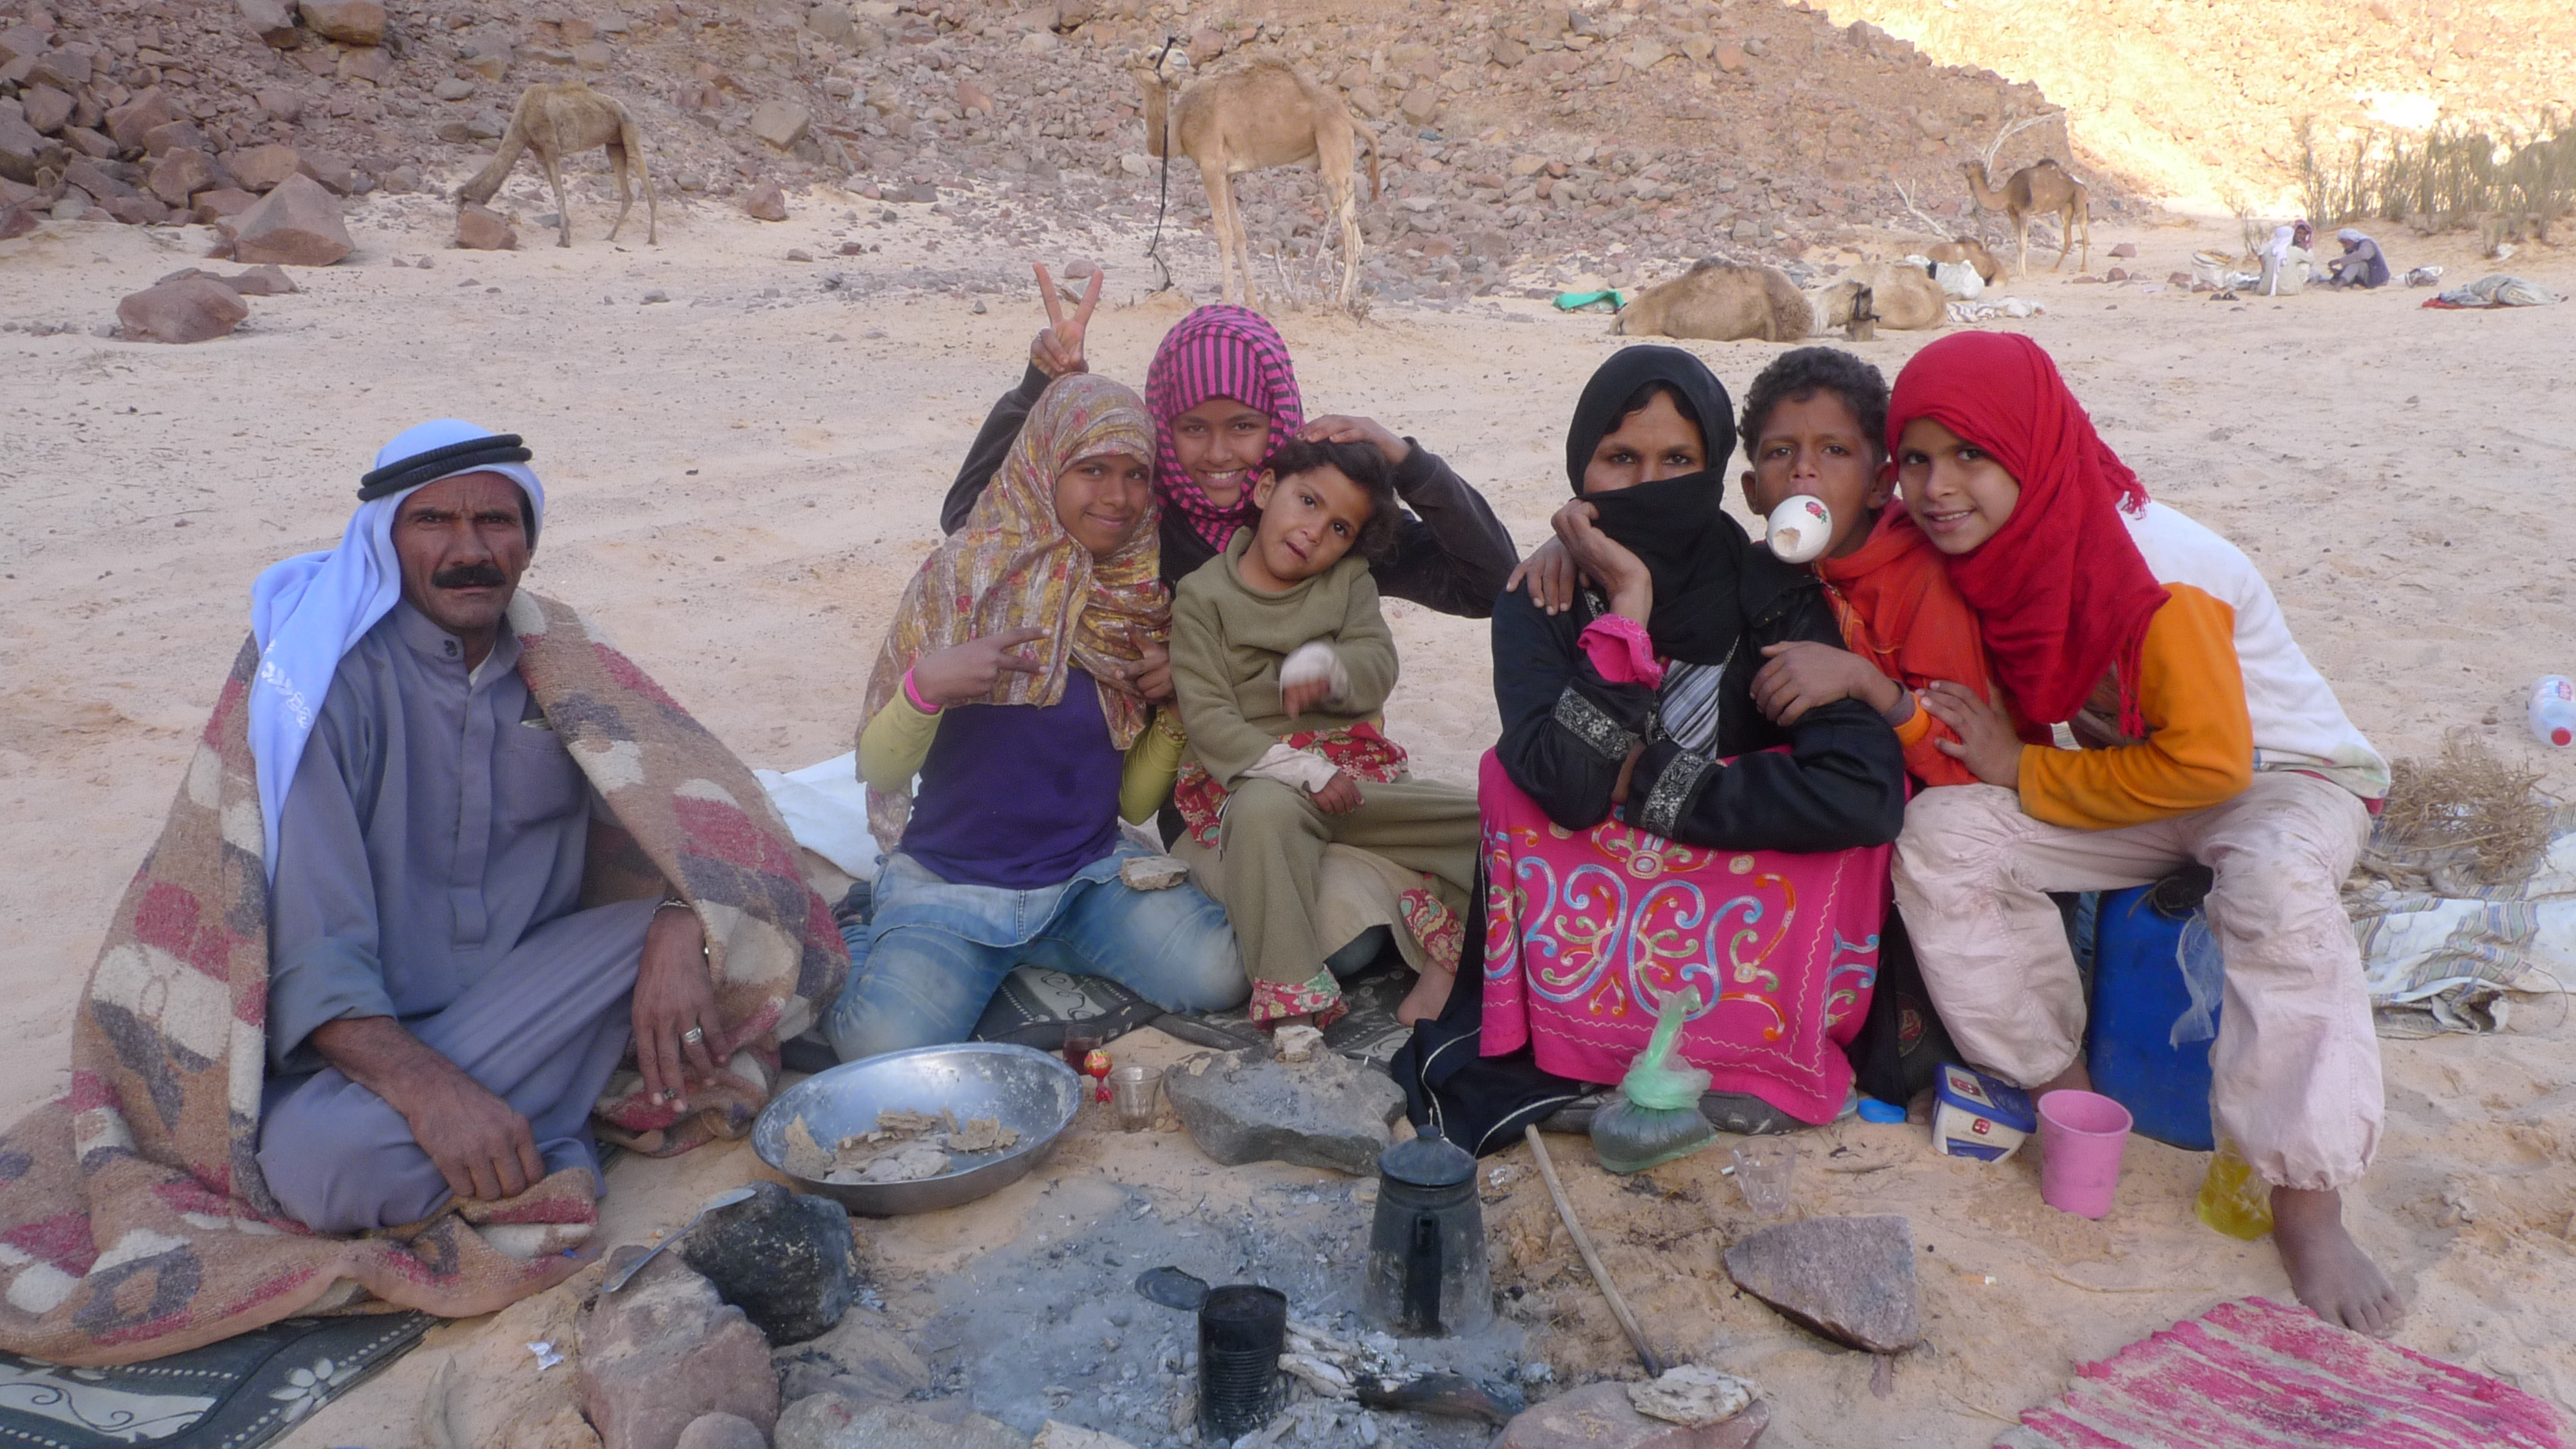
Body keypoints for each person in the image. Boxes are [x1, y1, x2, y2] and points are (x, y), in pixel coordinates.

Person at [0, 421, 843, 1361]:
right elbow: (313, 943)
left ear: (529, 534)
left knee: (742, 927)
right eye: (434, 520)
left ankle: (519, 1119)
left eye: (496, 520)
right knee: (329, 1171)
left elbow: (702, 797)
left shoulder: (558, 659)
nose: (471, 549)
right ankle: (541, 1129)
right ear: (384, 538)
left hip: (531, 981)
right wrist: (430, 1091)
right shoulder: (319, 683)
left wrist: (681, 922)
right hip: (358, 1043)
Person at [1883, 331, 2400, 1334]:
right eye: (1916, 457)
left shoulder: (2156, 569)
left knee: (2274, 893)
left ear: (2033, 447)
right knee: (1948, 838)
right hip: (2139, 790)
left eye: (1971, 455)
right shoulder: (2001, 547)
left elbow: (2211, 764)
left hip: (2279, 781)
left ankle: (2308, 1201)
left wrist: (2022, 770)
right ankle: (2065, 1095)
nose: (1938, 488)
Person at [1434, 347, 1908, 1143]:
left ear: (1717, 468)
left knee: (1845, 837)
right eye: (1621, 459)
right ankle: (1585, 1044)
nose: (1651, 485)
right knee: (1508, 779)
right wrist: (1627, 606)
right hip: (1593, 908)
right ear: (1579, 466)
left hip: (1735, 902)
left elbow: (1863, 789)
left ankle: (1737, 1057)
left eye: (1677, 460)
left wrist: (1658, 788)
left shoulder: (1770, 594)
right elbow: (1570, 788)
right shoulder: (1541, 601)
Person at [827, 374, 1248, 1061]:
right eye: (1091, 470)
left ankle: (1044, 946)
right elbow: (878, 768)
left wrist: (1172, 711)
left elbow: (1131, 803)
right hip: (952, 887)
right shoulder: (960, 582)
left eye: (1135, 474)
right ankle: (861, 915)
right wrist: (925, 689)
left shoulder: (1137, 602)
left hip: (1084, 881)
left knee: (1218, 975)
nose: (1117, 497)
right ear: (1043, 465)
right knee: (878, 1044)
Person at [1168, 438, 1480, 1028]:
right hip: (1260, 783)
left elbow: (1378, 666)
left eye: (1339, 527)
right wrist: (1300, 769)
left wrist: (1331, 669)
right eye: (1306, 501)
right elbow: (1210, 721)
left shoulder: (1349, 582)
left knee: (1496, 822)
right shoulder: (1202, 597)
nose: (1314, 532)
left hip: (1357, 783)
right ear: (1264, 490)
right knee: (1264, 813)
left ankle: (1451, 964)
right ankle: (1292, 1007)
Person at [1730, 345, 1996, 788]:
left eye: (1834, 450)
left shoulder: (1923, 578)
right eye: (1780, 452)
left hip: (1932, 794)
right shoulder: (1762, 570)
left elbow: (1964, 758)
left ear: (1878, 485)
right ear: (1753, 493)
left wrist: (1866, 683)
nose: (1803, 470)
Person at [2325, 228, 2392, 289]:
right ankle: (2342, 281)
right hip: (2368, 275)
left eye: (2345, 242)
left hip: (2378, 277)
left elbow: (2363, 255)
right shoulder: (2350, 248)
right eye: (2342, 243)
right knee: (2351, 266)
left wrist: (2339, 261)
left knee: (2356, 264)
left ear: (2352, 239)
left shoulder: (2367, 243)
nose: (2344, 245)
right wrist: (2340, 272)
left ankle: (2340, 284)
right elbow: (2351, 266)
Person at [2257, 223, 2312, 296]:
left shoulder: (2268, 250)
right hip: (2290, 291)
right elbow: (2311, 260)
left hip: (2265, 290)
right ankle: (2296, 285)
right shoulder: (2296, 251)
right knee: (2304, 264)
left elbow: (2262, 259)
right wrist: (2303, 249)